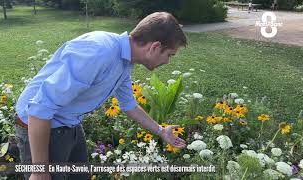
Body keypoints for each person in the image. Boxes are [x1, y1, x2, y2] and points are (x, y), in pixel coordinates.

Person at [15, 11, 187, 180]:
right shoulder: (99, 52)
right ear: (155, 47)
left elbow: (130, 105)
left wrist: (161, 131)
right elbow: (39, 108)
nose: (167, 62)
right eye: (169, 55)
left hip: (70, 124)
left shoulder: (125, 60)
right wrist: (39, 171)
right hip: (42, 128)